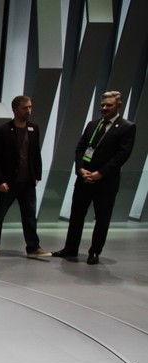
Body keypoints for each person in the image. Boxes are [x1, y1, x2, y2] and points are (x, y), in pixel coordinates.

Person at [53, 90, 137, 264]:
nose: (104, 108)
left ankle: (95, 252)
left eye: (109, 105)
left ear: (118, 106)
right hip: (84, 179)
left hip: (106, 182)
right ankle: (70, 248)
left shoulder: (127, 127)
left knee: (102, 218)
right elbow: (80, 148)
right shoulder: (93, 124)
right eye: (102, 105)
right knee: (76, 215)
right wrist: (80, 169)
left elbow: (122, 155)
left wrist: (101, 173)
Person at [0, 96, 50, 258]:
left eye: (30, 107)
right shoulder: (3, 130)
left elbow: (36, 154)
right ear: (15, 109)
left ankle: (33, 247)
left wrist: (37, 175)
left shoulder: (34, 129)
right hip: (8, 182)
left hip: (27, 181)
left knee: (29, 216)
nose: (28, 111)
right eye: (25, 108)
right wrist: (0, 180)